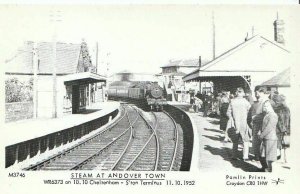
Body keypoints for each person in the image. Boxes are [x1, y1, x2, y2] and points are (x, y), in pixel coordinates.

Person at [227, 87, 251, 160]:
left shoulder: (232, 101)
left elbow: (228, 112)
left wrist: (231, 118)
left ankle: (234, 155)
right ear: (243, 93)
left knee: (235, 140)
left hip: (235, 123)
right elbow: (250, 112)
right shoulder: (246, 102)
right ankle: (245, 156)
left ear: (236, 93)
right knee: (245, 140)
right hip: (244, 123)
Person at [259, 100, 278, 172]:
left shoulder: (273, 115)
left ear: (271, 106)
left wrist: (262, 135)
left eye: (267, 106)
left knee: (269, 157)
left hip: (270, 138)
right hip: (265, 137)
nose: (265, 107)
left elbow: (269, 127)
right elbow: (264, 126)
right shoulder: (267, 114)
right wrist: (260, 131)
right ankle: (264, 168)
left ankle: (269, 170)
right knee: (262, 154)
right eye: (264, 106)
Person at [248, 87, 266, 161]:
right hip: (255, 125)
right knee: (255, 142)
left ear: (262, 92)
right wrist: (250, 123)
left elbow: (267, 115)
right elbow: (250, 115)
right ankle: (257, 156)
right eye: (255, 92)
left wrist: (255, 117)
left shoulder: (266, 102)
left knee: (262, 142)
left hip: (263, 125)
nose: (256, 94)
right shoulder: (254, 104)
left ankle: (262, 158)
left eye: (258, 92)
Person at [271, 93, 290, 161]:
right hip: (286, 128)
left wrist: (282, 129)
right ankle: (285, 158)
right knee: (285, 144)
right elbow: (288, 119)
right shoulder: (287, 108)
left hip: (279, 129)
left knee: (279, 143)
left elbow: (280, 121)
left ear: (276, 101)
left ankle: (280, 158)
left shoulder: (276, 109)